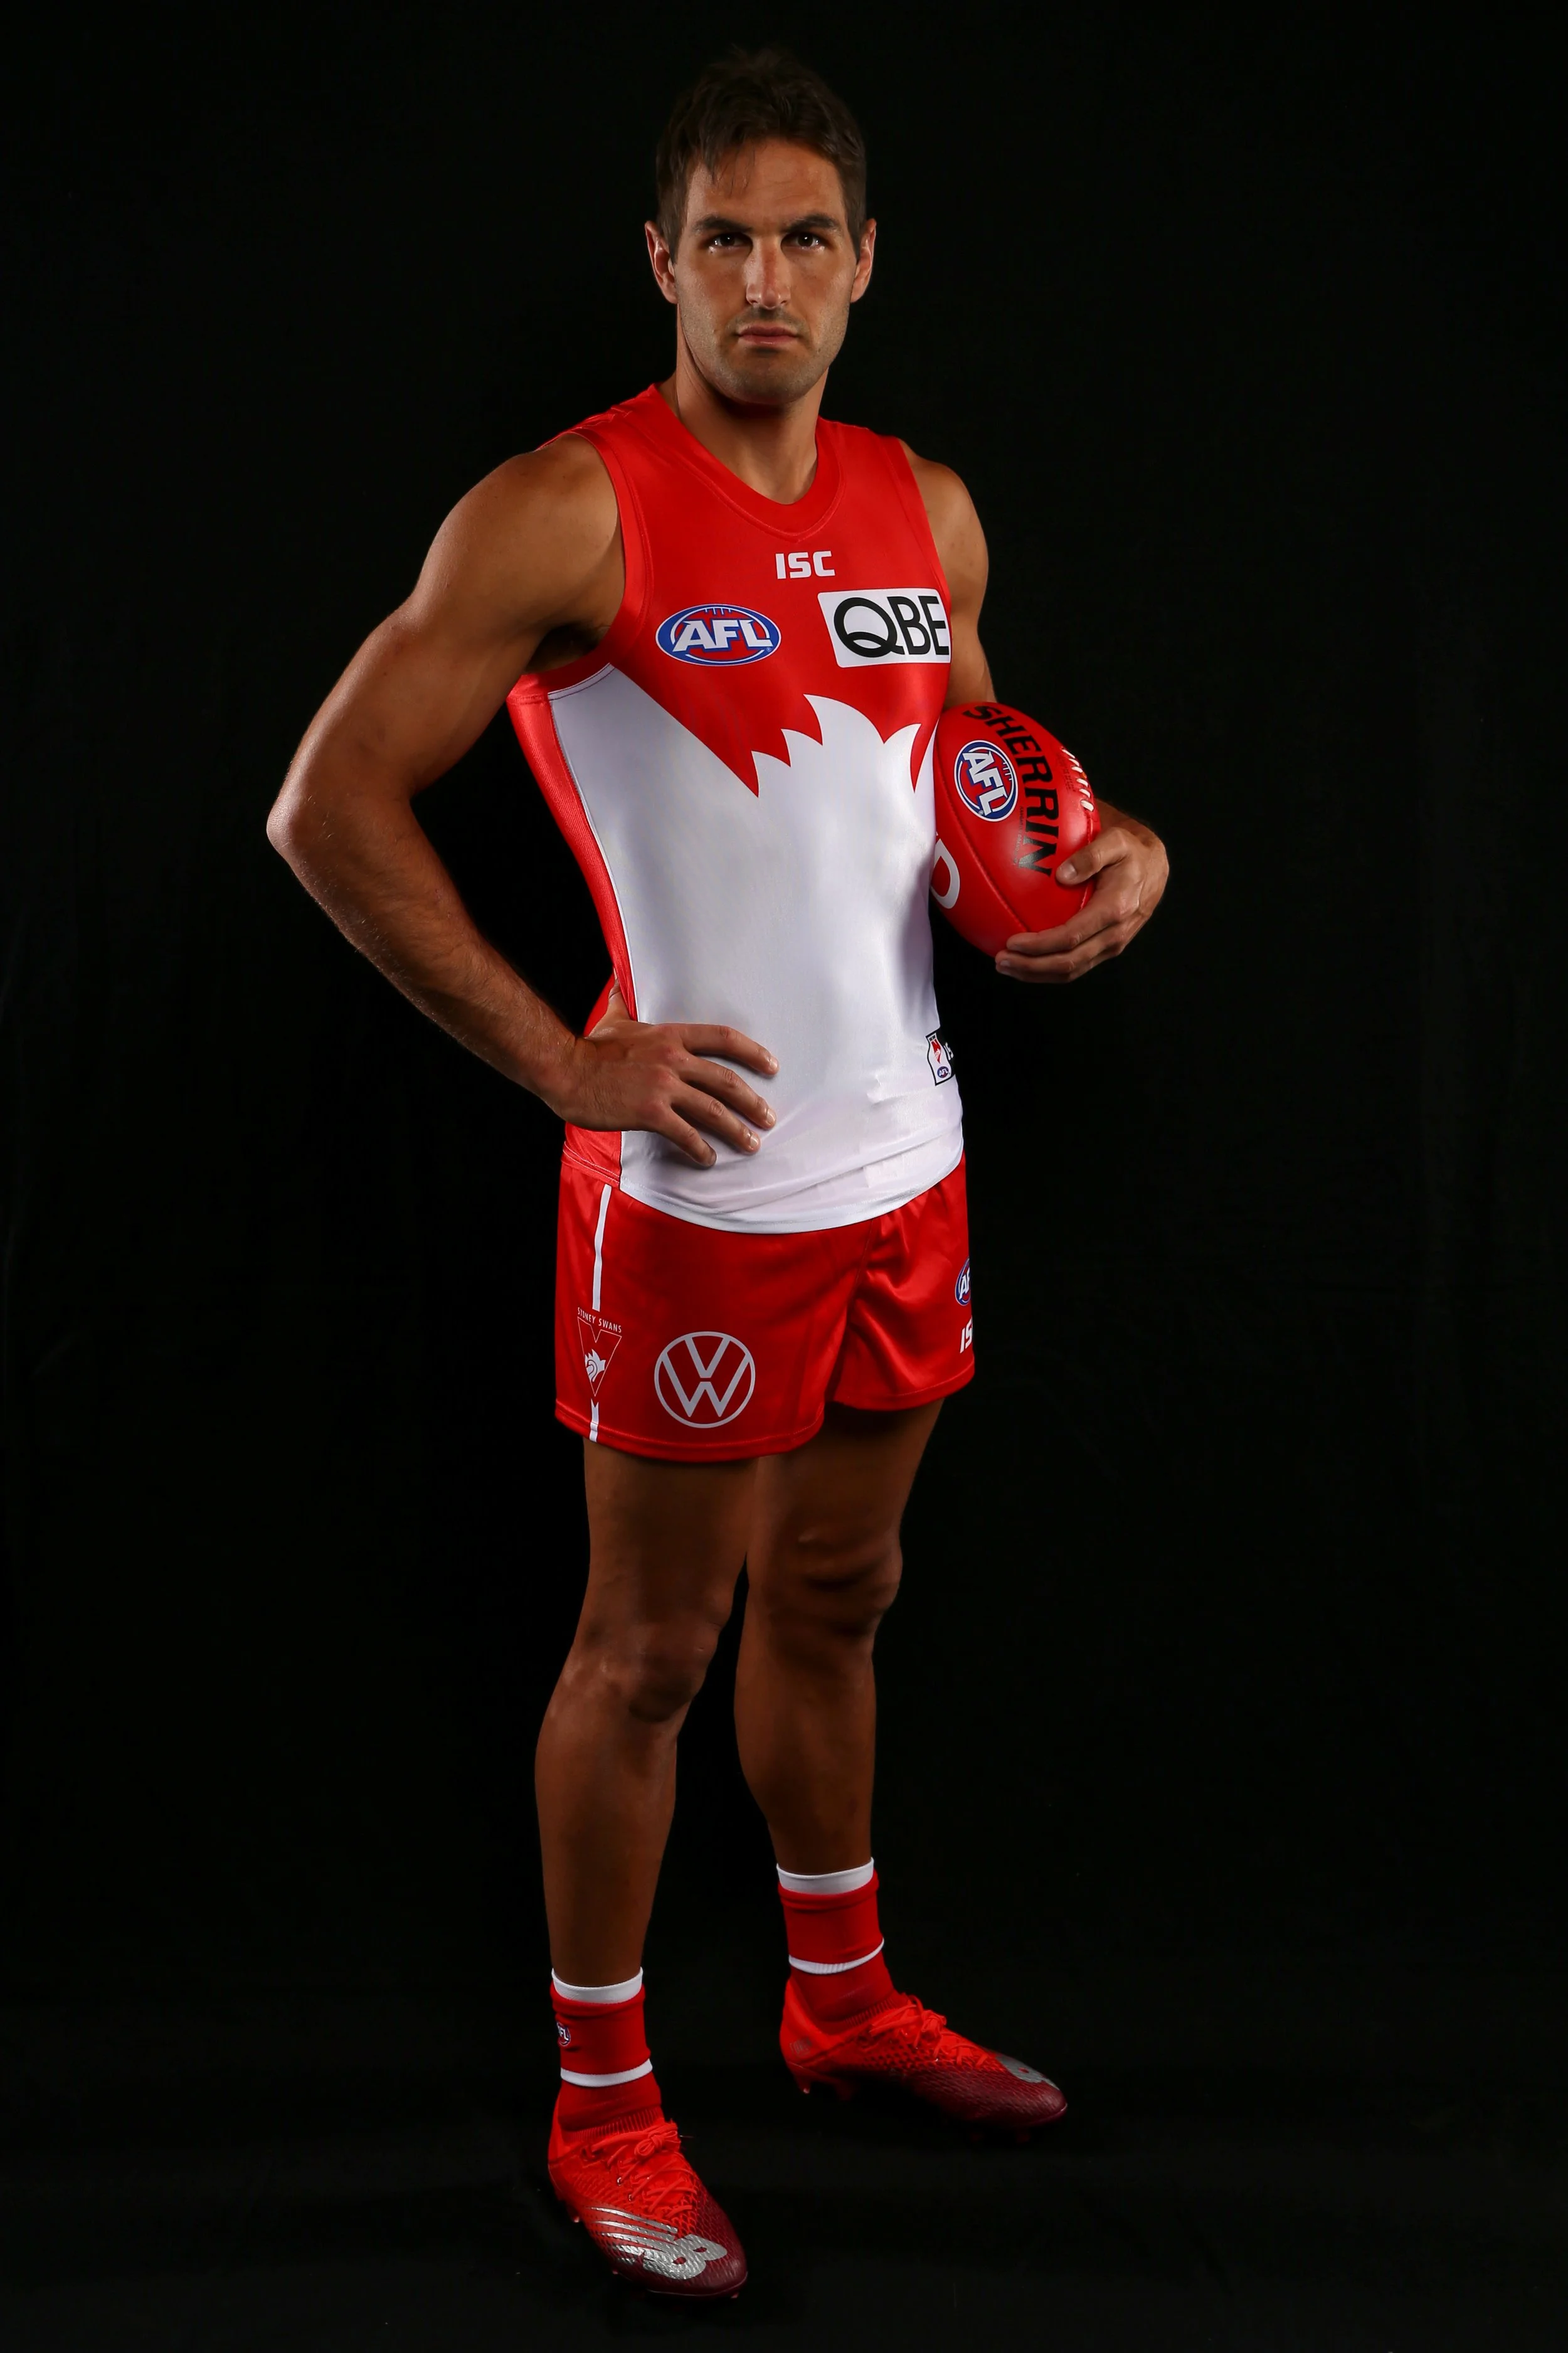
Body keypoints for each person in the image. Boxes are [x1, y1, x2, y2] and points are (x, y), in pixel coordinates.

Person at [268, 47, 1168, 2300]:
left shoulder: (923, 507)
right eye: (724, 239)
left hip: (911, 1158)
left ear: (863, 268)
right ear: (664, 263)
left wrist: (1104, 857)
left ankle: (841, 1998)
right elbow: (328, 808)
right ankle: (603, 2107)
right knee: (649, 1648)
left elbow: (975, 785)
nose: (765, 277)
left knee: (845, 1600)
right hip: (704, 1200)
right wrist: (561, 1059)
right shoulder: (565, 510)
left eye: (805, 238)